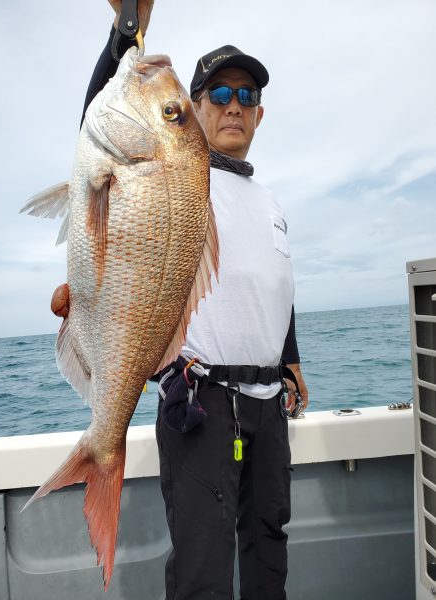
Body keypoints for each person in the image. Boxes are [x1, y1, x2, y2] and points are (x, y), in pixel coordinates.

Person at [53, 3, 309, 598]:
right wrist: (125, 34)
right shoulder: (184, 174)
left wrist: (290, 355)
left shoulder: (269, 199)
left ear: (260, 114)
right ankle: (101, 448)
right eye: (218, 94)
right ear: (195, 110)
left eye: (246, 97)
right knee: (203, 568)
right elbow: (101, 123)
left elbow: (274, 283)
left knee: (270, 544)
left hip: (269, 406)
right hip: (203, 403)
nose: (233, 106)